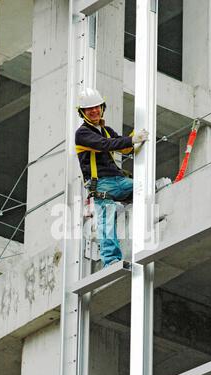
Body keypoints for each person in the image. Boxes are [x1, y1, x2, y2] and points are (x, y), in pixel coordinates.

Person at [75, 88, 149, 268]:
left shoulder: (106, 130)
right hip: (102, 185)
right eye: (89, 109)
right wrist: (131, 140)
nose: (94, 111)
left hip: (118, 180)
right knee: (106, 219)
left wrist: (134, 137)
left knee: (145, 189)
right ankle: (111, 261)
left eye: (97, 107)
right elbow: (104, 145)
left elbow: (123, 148)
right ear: (83, 113)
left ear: (102, 107)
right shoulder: (83, 133)